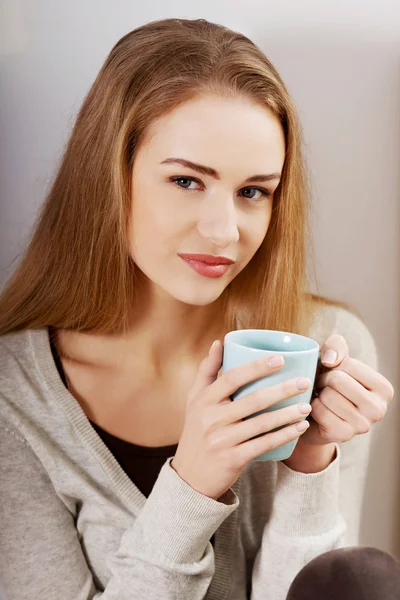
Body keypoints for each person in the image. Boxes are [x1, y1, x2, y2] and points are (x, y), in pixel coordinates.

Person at [0, 17, 395, 600]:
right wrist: (192, 486)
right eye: (186, 181)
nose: (223, 231)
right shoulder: (17, 396)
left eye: (253, 191)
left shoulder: (326, 344)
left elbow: (315, 588)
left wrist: (310, 460)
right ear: (108, 176)